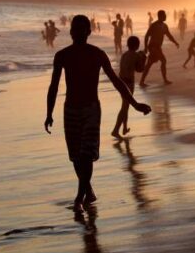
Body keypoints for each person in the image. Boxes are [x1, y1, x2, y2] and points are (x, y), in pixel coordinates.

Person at [45, 15, 151, 210]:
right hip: (70, 110)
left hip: (92, 109)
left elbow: (117, 82)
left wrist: (135, 104)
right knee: (76, 156)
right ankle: (89, 191)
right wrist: (49, 113)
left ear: (89, 31)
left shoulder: (97, 54)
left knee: (86, 154)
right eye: (75, 28)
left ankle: (79, 197)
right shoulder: (62, 56)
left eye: (82, 28)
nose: (78, 32)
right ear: (71, 32)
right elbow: (53, 86)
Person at [112, 36, 147, 138]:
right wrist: (144, 58)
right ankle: (115, 130)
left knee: (126, 105)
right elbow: (140, 69)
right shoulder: (136, 55)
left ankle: (124, 128)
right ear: (137, 45)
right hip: (129, 83)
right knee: (125, 106)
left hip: (121, 81)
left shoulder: (125, 54)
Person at [139, 9, 179, 87]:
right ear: (160, 16)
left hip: (158, 47)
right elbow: (147, 36)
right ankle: (164, 80)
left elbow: (169, 35)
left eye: (165, 15)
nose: (165, 16)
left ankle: (142, 81)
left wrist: (175, 42)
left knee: (150, 64)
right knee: (162, 61)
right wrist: (146, 47)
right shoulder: (154, 25)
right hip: (153, 47)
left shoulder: (164, 26)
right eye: (164, 15)